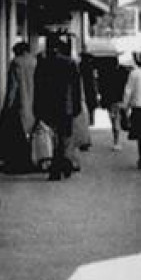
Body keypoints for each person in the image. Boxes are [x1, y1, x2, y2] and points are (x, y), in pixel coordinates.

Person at [32, 34, 82, 181]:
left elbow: (38, 88)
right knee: (64, 136)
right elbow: (76, 88)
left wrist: (36, 107)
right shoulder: (70, 63)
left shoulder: (42, 64)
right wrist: (77, 105)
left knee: (52, 136)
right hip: (66, 105)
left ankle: (56, 166)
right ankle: (64, 163)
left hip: (48, 106)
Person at [0, 40, 37, 173]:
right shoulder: (35, 62)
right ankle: (34, 160)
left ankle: (19, 164)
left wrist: (7, 106)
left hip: (20, 104)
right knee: (31, 133)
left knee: (18, 136)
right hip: (34, 103)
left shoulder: (16, 63)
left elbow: (13, 87)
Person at [98, 55, 131, 150]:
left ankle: (116, 141)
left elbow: (102, 88)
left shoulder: (105, 72)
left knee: (114, 120)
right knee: (119, 117)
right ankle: (118, 137)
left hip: (111, 100)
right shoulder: (124, 71)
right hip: (122, 99)